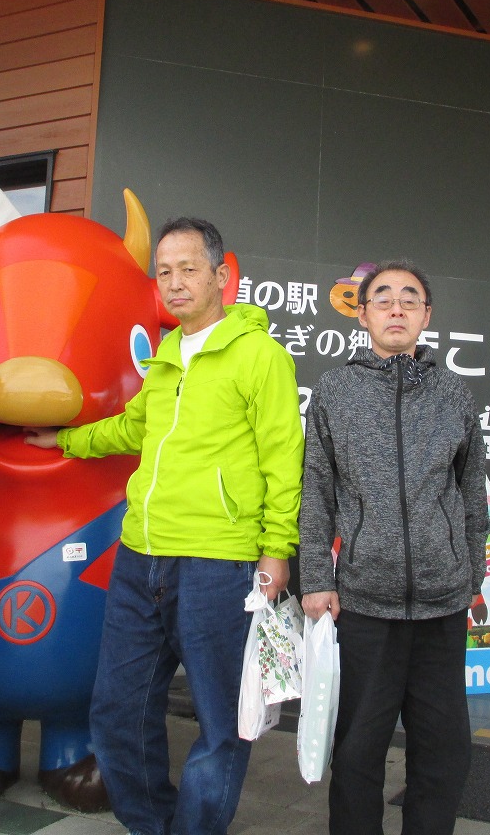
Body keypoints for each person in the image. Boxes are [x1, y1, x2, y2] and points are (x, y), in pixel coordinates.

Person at [24, 217, 304, 835]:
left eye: (188, 269)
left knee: (220, 719)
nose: (175, 283)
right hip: (140, 554)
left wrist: (276, 550)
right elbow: (133, 429)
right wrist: (66, 439)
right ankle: (156, 825)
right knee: (118, 713)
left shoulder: (260, 356)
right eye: (165, 272)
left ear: (220, 276)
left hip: (220, 561)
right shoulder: (168, 355)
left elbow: (285, 459)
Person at [299, 260, 489, 835]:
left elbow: (471, 493)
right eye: (383, 298)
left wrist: (471, 574)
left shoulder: (454, 393)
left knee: (444, 750)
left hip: (441, 607)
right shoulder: (335, 391)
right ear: (363, 314)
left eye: (411, 298)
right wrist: (315, 577)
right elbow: (315, 490)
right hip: (363, 604)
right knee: (358, 750)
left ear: (427, 316)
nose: (397, 307)